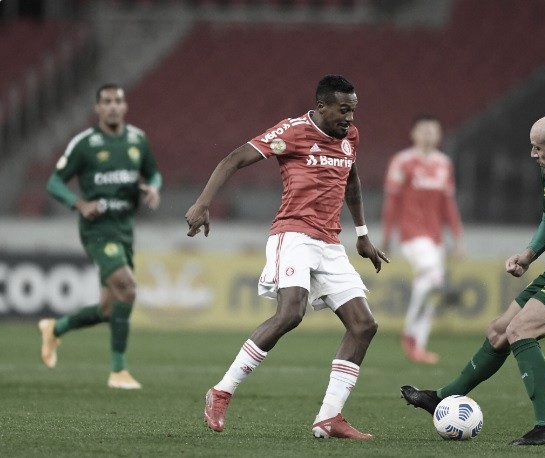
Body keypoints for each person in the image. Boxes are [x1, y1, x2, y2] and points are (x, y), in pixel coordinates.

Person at [185, 75, 389, 440]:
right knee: (291, 312)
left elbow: (352, 181)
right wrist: (202, 203)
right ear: (322, 106)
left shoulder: (350, 138)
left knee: (364, 325)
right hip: (293, 235)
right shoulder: (292, 132)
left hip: (330, 242)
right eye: (344, 110)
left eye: (354, 111)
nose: (350, 119)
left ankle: (329, 417)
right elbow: (234, 159)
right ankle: (221, 390)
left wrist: (362, 235)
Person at [400, 113, 545, 445]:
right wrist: (529, 255)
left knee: (521, 330)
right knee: (498, 330)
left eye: (537, 149)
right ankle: (442, 397)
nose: (532, 155)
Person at [39, 83, 162, 390]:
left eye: (117, 101)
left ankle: (55, 328)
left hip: (124, 228)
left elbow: (154, 172)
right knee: (128, 289)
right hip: (97, 228)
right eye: (106, 101)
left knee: (109, 308)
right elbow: (54, 182)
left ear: (125, 106)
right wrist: (79, 203)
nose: (112, 106)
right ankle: (118, 371)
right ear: (97, 108)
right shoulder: (85, 144)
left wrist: (153, 187)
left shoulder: (138, 140)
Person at [381, 114, 463, 364]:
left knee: (427, 288)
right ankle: (410, 334)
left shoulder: (444, 164)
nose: (428, 135)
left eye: (433, 131)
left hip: (435, 237)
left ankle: (417, 343)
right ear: (414, 134)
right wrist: (386, 237)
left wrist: (457, 237)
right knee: (431, 276)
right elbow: (392, 201)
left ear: (438, 135)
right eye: (424, 130)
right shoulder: (402, 162)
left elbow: (447, 205)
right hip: (411, 234)